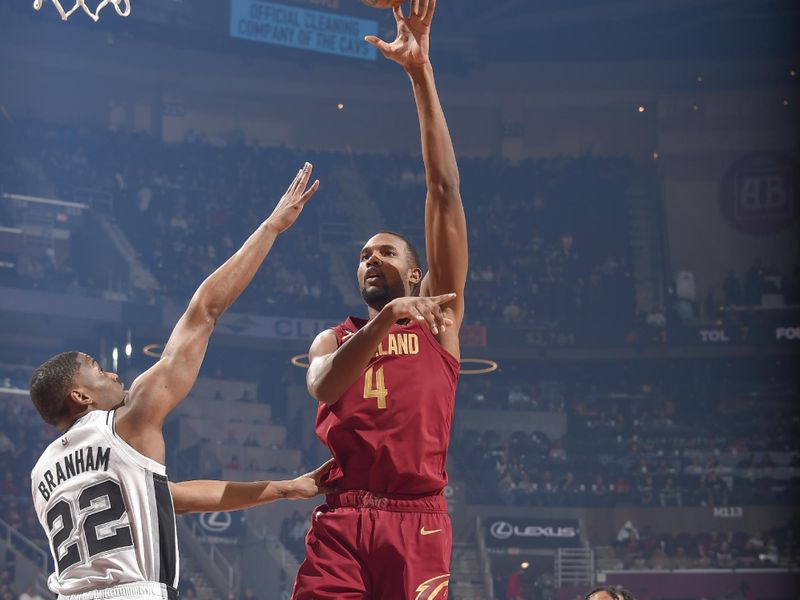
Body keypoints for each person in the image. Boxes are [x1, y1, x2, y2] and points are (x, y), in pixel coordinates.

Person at [30, 164, 323, 600]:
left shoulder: (42, 474)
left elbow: (171, 498)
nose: (112, 373)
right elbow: (203, 312)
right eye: (97, 367)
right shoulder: (126, 423)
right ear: (80, 395)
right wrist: (270, 228)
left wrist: (284, 488)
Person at [292, 1, 468, 598]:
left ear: (418, 274)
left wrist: (420, 73)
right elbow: (323, 387)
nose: (371, 258)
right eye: (365, 254)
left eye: (387, 252)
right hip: (341, 518)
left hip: (415, 517)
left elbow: (443, 190)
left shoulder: (439, 319)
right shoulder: (333, 338)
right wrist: (386, 318)